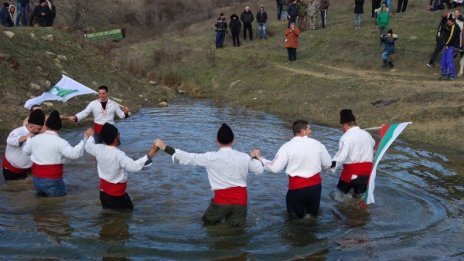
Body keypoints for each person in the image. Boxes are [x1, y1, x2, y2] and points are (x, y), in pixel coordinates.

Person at [154, 123, 264, 226]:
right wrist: (256, 157)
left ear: (217, 141)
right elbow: (259, 170)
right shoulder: (244, 157)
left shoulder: (210, 157)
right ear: (233, 140)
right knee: (236, 231)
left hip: (222, 201)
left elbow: (188, 157)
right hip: (241, 201)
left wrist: (163, 146)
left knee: (207, 225)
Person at [253, 120, 331, 219]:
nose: (311, 131)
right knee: (312, 217)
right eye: (308, 129)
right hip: (315, 188)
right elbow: (328, 164)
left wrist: (259, 158)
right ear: (302, 131)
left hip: (297, 189)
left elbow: (275, 168)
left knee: (295, 219)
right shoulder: (318, 144)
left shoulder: (287, 147)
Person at [85, 123, 159, 210]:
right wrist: (151, 153)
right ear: (115, 139)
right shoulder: (118, 154)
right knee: (126, 218)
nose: (120, 135)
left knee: (109, 219)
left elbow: (88, 146)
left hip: (103, 194)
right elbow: (134, 166)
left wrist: (91, 136)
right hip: (117, 197)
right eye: (118, 134)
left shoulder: (97, 148)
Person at [22, 110, 92, 197]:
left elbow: (25, 151)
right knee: (57, 206)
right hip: (52, 179)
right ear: (59, 127)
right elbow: (74, 154)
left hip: (36, 179)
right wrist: (85, 137)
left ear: (46, 125)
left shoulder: (34, 139)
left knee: (41, 204)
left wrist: (29, 138)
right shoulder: (60, 142)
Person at [332, 109, 375, 198]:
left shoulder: (346, 137)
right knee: (359, 199)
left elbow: (341, 156)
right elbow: (373, 144)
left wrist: (329, 165)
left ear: (344, 125)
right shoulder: (367, 134)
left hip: (350, 175)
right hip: (366, 175)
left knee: (338, 198)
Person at [3, 109, 45, 181]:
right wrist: (27, 137)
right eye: (38, 129)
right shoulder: (18, 131)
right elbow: (10, 141)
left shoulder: (38, 133)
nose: (39, 131)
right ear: (31, 127)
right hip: (11, 170)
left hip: (29, 169)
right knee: (12, 190)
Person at [440, 16, 461, 80]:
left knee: (449, 61)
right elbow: (445, 35)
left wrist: (446, 44)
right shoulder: (449, 26)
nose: (448, 22)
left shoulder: (454, 26)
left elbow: (452, 36)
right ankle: (444, 74)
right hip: (447, 46)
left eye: (449, 21)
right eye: (447, 21)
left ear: (452, 22)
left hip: (452, 46)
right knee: (443, 60)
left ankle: (452, 75)